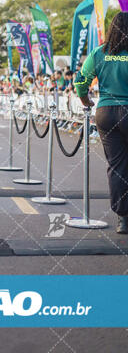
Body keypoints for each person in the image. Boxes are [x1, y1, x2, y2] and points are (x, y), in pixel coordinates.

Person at [74, 12, 128, 234]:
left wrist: (86, 101)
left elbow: (80, 83)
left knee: (117, 167)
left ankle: (123, 219)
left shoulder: (99, 53)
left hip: (106, 112)